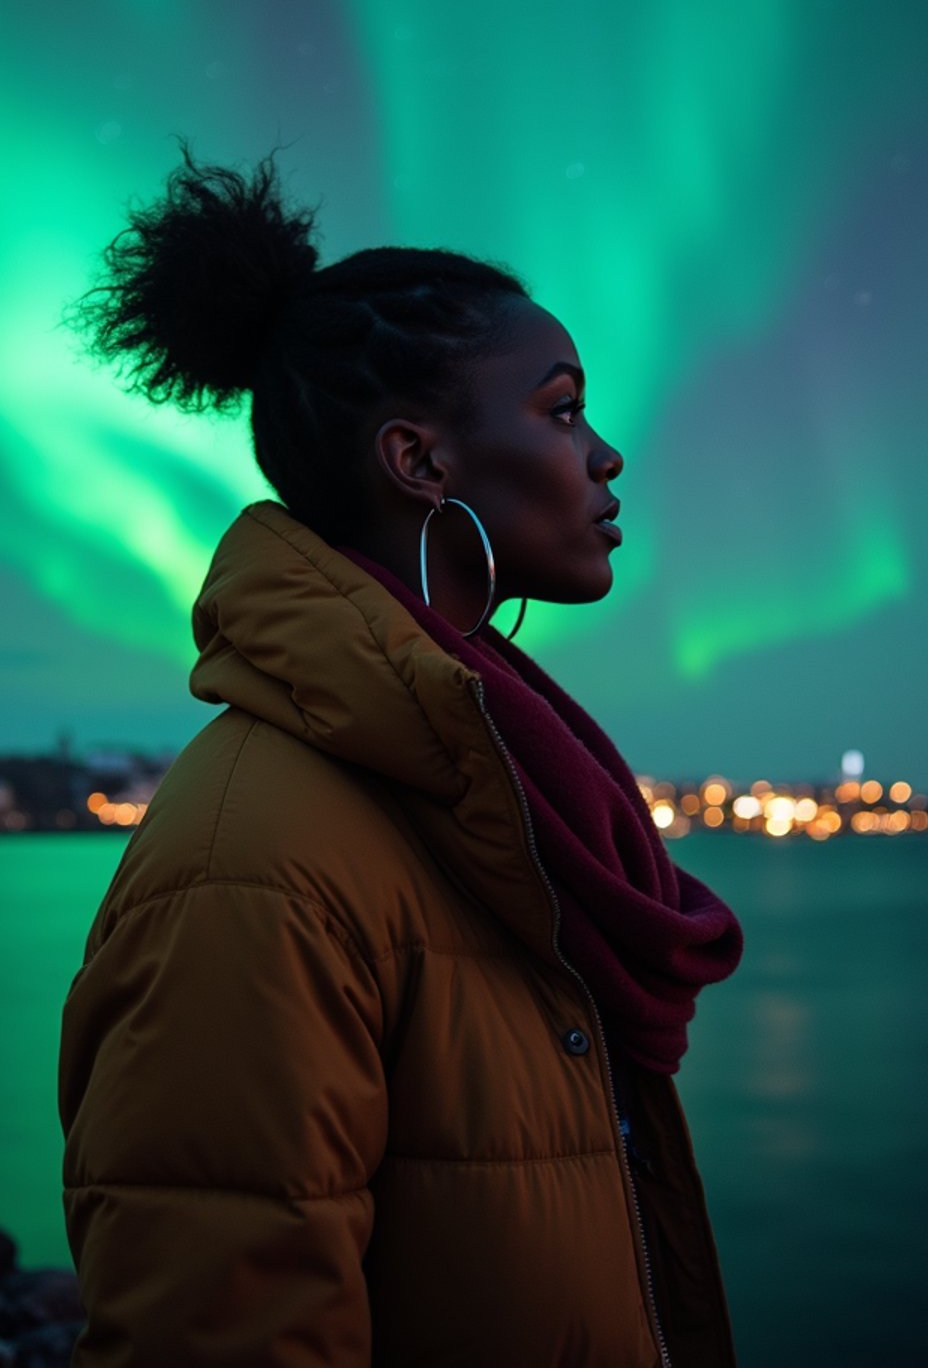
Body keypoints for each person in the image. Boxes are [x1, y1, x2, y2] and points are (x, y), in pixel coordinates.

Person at [58, 144, 744, 1367]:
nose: (605, 455)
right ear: (419, 460)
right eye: (562, 408)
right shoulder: (255, 856)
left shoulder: (492, 779)